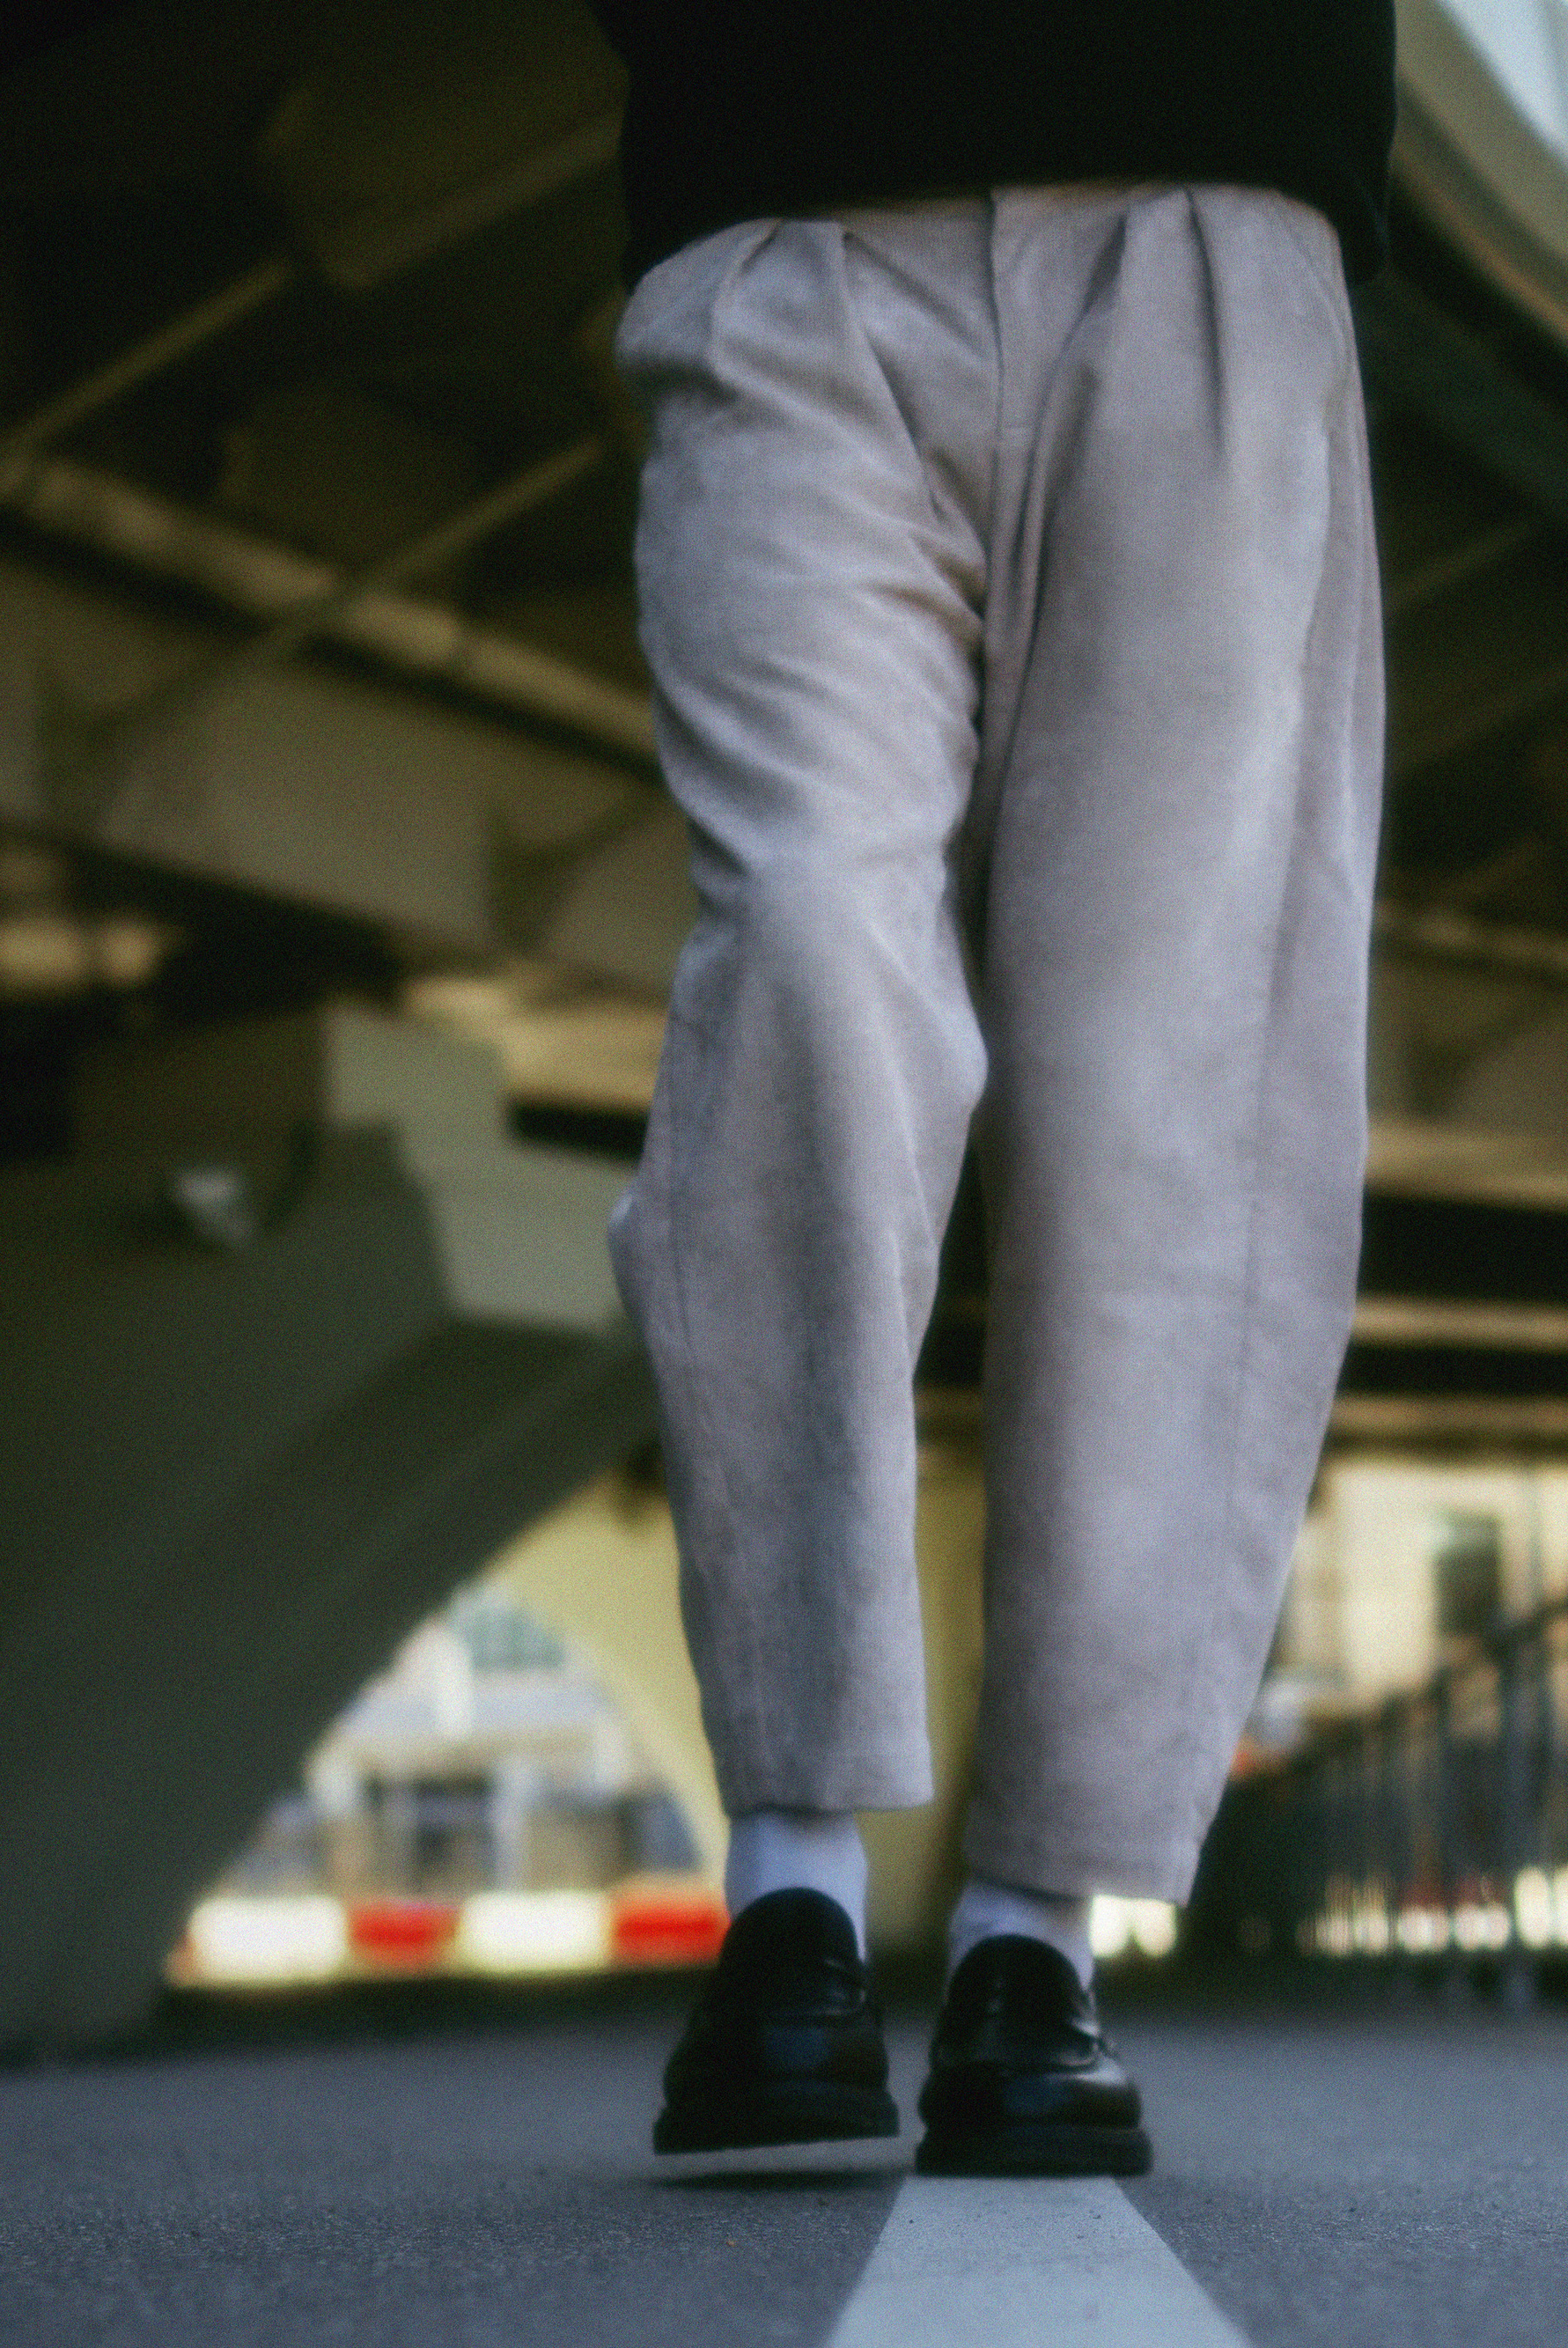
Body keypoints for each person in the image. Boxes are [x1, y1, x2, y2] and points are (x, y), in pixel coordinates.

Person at [589, 2, 1395, 2173]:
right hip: (779, 218)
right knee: (804, 957)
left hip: (1207, 208)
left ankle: (1040, 1927)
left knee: (1167, 1086)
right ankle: (792, 1891)